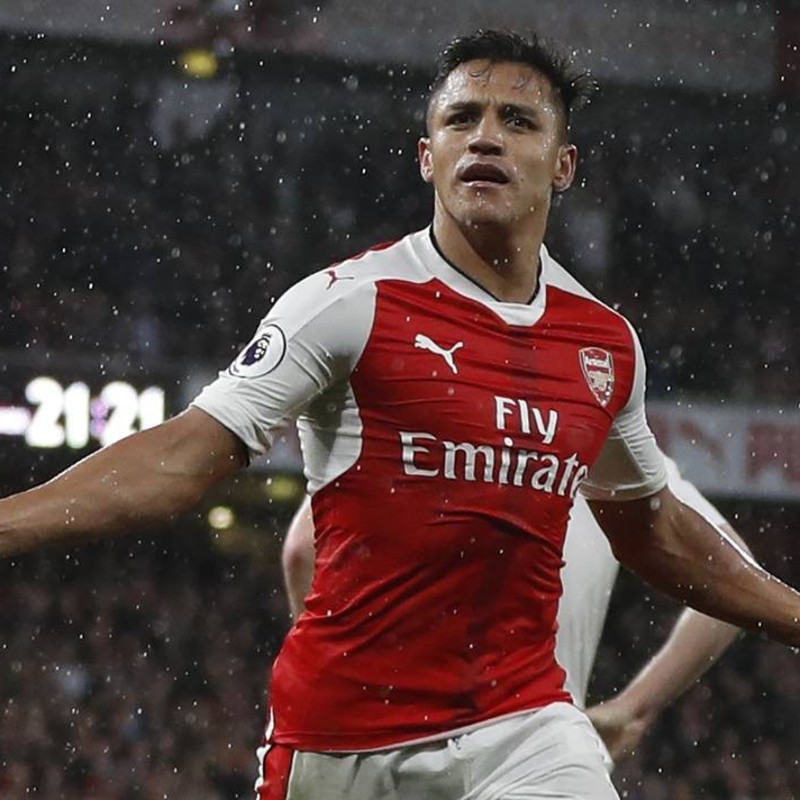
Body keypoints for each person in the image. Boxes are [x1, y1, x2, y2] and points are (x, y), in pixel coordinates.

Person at [2, 29, 800, 800]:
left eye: (517, 121)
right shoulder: (348, 303)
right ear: (428, 156)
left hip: (523, 727)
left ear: (564, 165)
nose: (484, 137)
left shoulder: (604, 345)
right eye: (462, 118)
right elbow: (182, 459)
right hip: (340, 741)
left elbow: (656, 531)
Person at [282, 453, 749, 769]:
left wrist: (351, 692)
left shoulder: (409, 418)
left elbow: (303, 551)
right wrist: (633, 710)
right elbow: (733, 572)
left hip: (386, 748)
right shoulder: (605, 445)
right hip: (539, 757)